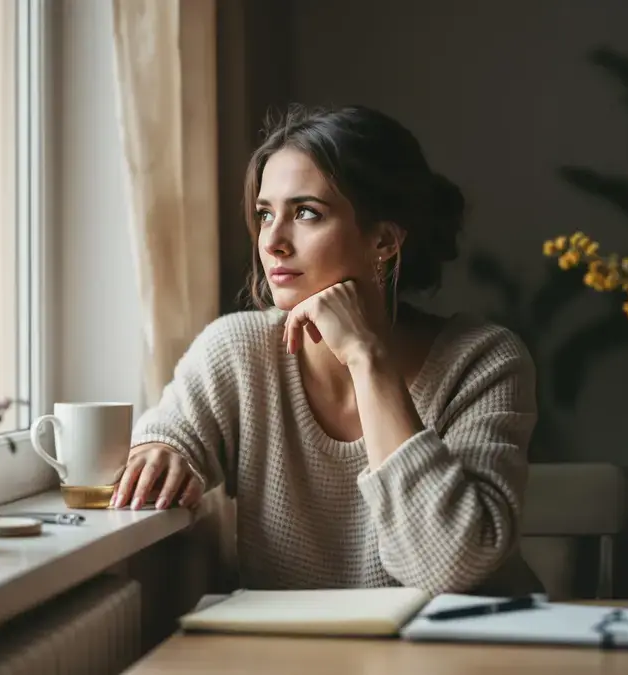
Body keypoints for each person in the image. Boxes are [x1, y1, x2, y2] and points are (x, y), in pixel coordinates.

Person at [112, 104, 543, 596]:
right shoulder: (240, 349)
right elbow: (169, 435)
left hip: (466, 653)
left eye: (306, 214)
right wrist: (160, 450)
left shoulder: (483, 362)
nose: (272, 241)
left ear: (382, 240)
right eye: (265, 214)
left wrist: (368, 358)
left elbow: (450, 567)